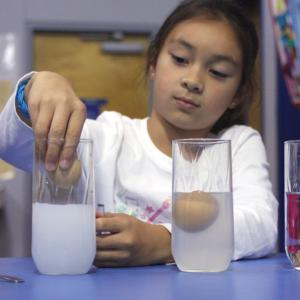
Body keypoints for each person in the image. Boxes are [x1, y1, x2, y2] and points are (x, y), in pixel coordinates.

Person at [0, 0, 278, 267]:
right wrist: (36, 89)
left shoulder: (237, 144)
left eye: (218, 72)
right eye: (180, 59)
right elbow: (12, 145)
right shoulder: (110, 137)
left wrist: (165, 242)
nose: (193, 81)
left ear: (238, 94)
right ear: (153, 63)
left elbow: (262, 225)